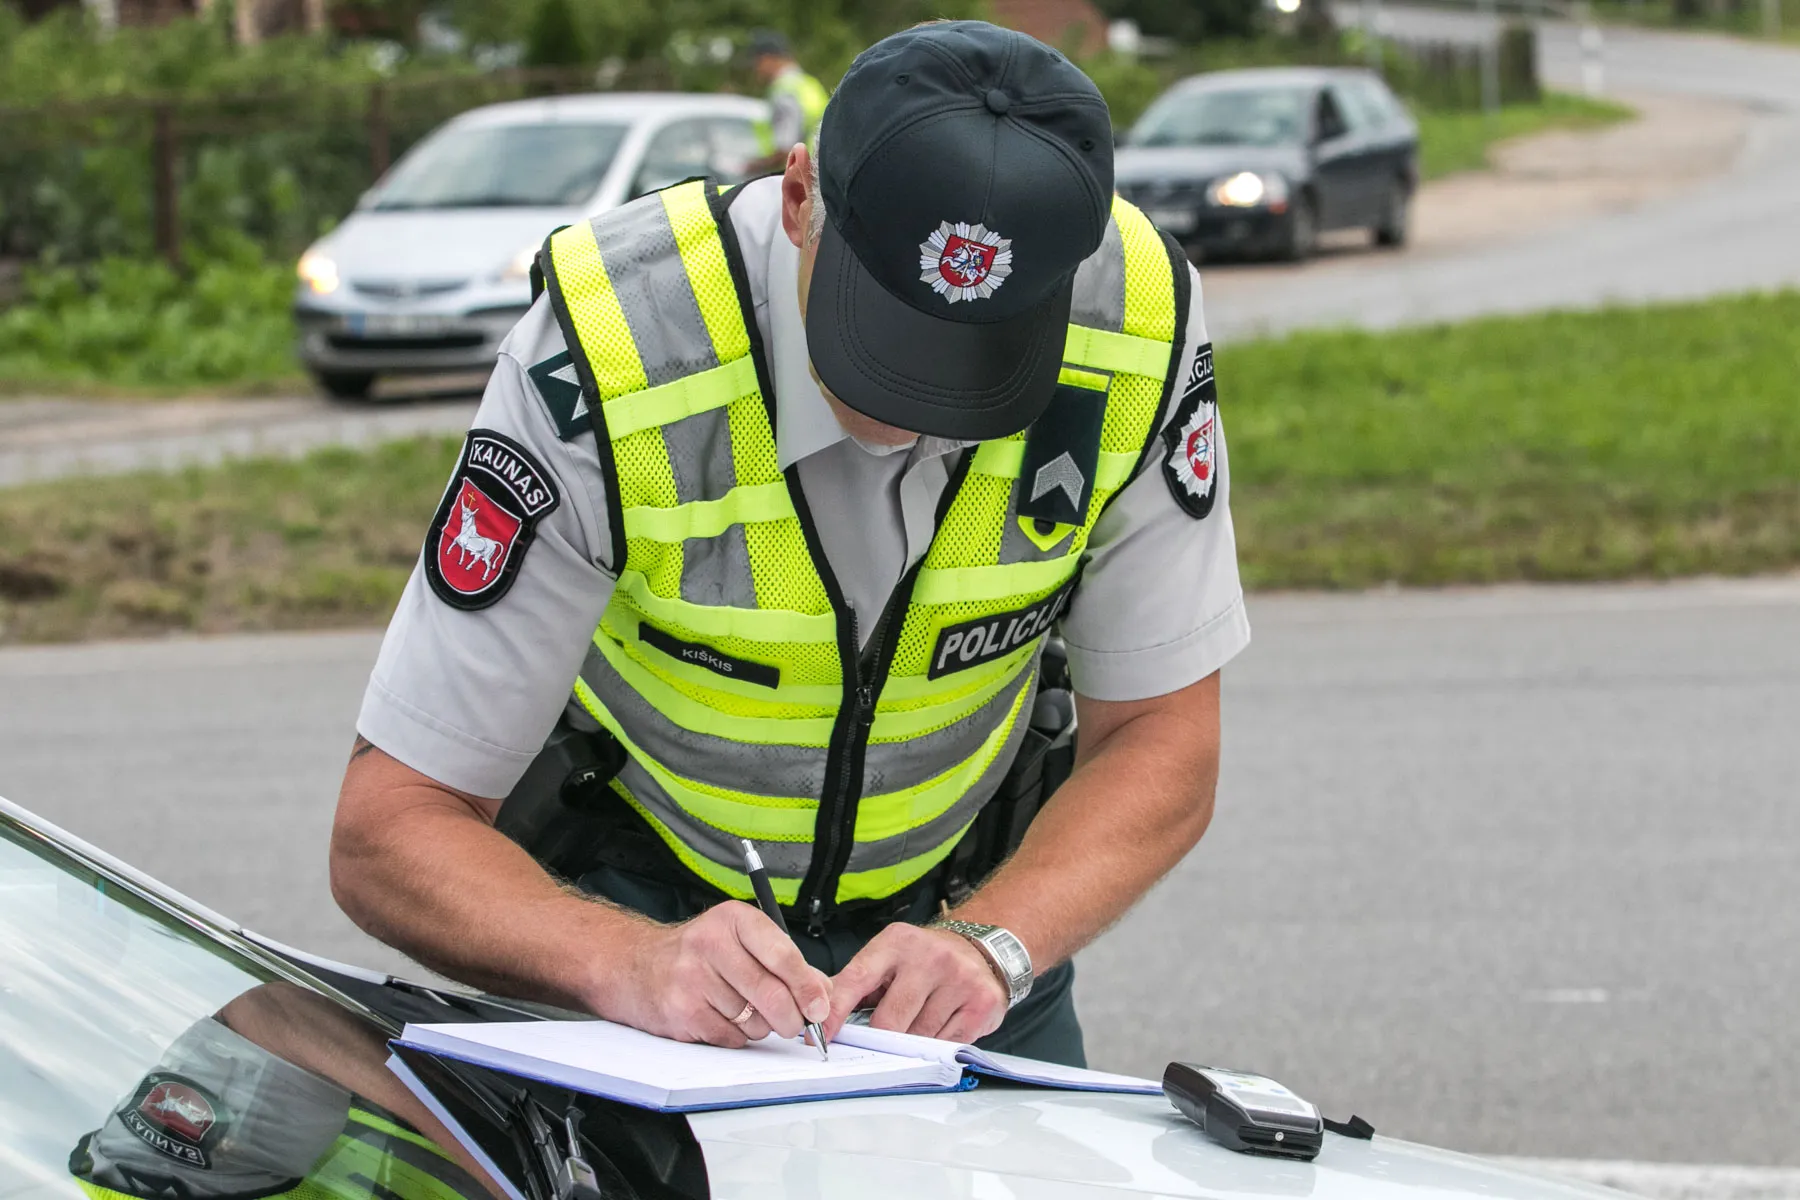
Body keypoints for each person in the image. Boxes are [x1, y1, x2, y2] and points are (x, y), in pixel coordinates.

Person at [330, 20, 1247, 1069]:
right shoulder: (612, 343)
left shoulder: (1137, 321)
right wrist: (628, 961)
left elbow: (1164, 736)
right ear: (800, 195)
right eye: (884, 339)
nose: (915, 417)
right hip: (644, 915)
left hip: (967, 930)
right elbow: (391, 826)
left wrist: (997, 945)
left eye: (976, 367)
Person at [747, 27, 830, 169]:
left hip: (799, 174)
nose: (755, 69)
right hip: (819, 170)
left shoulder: (784, 90)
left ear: (768, 58)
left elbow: (785, 149)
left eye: (757, 62)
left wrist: (752, 167)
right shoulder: (809, 84)